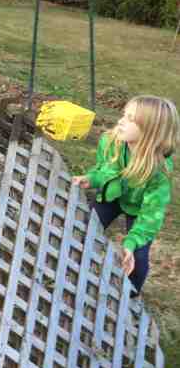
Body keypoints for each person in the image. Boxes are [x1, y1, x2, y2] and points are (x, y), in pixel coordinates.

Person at [72, 95, 178, 297]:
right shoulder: (111, 142)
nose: (120, 121)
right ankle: (75, 268)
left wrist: (130, 244)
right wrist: (92, 179)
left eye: (130, 119)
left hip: (140, 210)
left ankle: (130, 297)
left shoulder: (159, 173)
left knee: (137, 258)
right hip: (114, 197)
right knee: (84, 227)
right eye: (123, 115)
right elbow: (105, 170)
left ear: (150, 132)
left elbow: (150, 217)